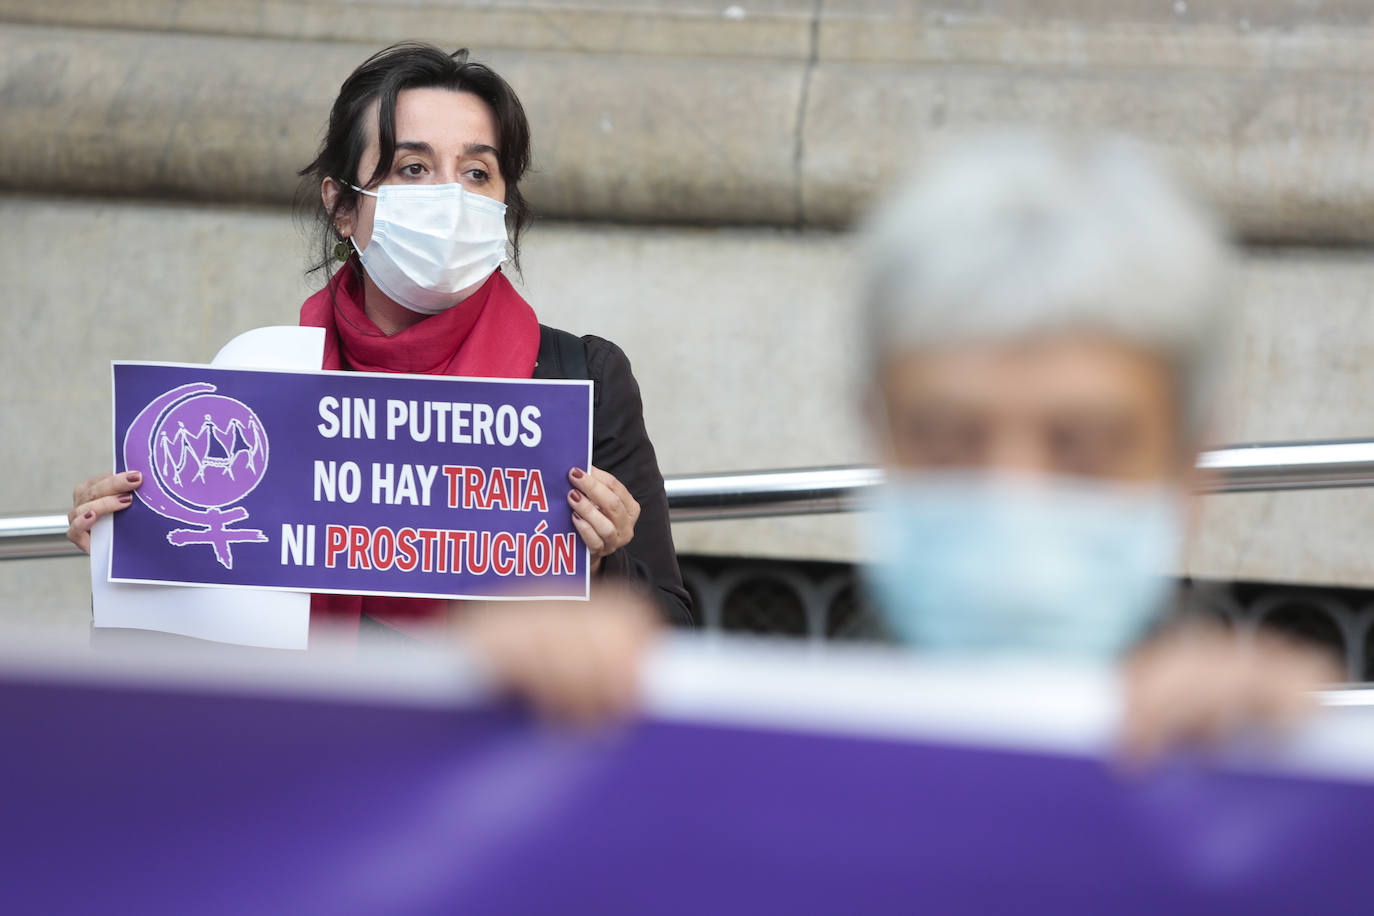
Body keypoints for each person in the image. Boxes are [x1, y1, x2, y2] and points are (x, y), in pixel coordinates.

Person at [413, 129, 1341, 761]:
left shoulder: (1272, 787)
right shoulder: (726, 767)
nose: (1011, 493)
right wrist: (531, 756)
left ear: (1189, 465)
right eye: (950, 437)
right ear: (878, 431)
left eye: (1082, 445)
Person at [65, 42, 692, 637]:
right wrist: (131, 553)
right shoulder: (258, 389)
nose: (450, 197)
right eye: (412, 168)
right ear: (341, 205)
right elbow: (185, 654)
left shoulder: (580, 379)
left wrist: (606, 562)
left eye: (477, 172)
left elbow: (667, 636)